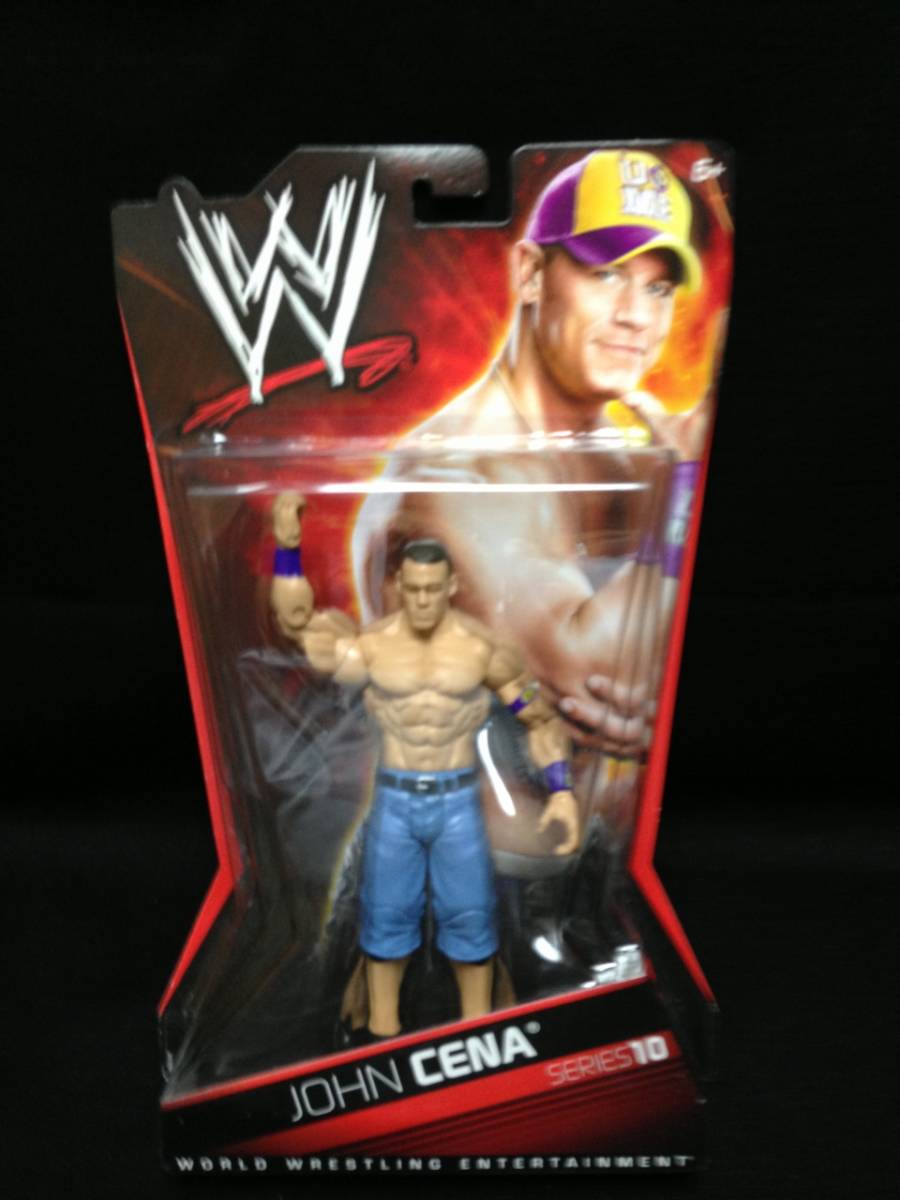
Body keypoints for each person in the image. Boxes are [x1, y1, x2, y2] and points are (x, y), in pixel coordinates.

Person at [351, 149, 713, 761]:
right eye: (607, 274)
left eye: (657, 288)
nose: (636, 316)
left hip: (607, 820)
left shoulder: (628, 462)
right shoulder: (454, 479)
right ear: (530, 272)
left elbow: (655, 671)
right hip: (455, 824)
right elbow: (597, 675)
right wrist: (683, 489)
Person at [270, 492, 579, 1038]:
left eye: (432, 590)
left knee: (471, 920)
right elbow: (297, 624)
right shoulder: (374, 647)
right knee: (385, 922)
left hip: (459, 800)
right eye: (412, 589)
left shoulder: (481, 650)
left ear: (451, 586)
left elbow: (540, 719)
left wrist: (560, 790)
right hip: (394, 800)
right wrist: (287, 545)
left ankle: (480, 1032)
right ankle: (382, 1033)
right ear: (398, 585)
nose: (421, 601)